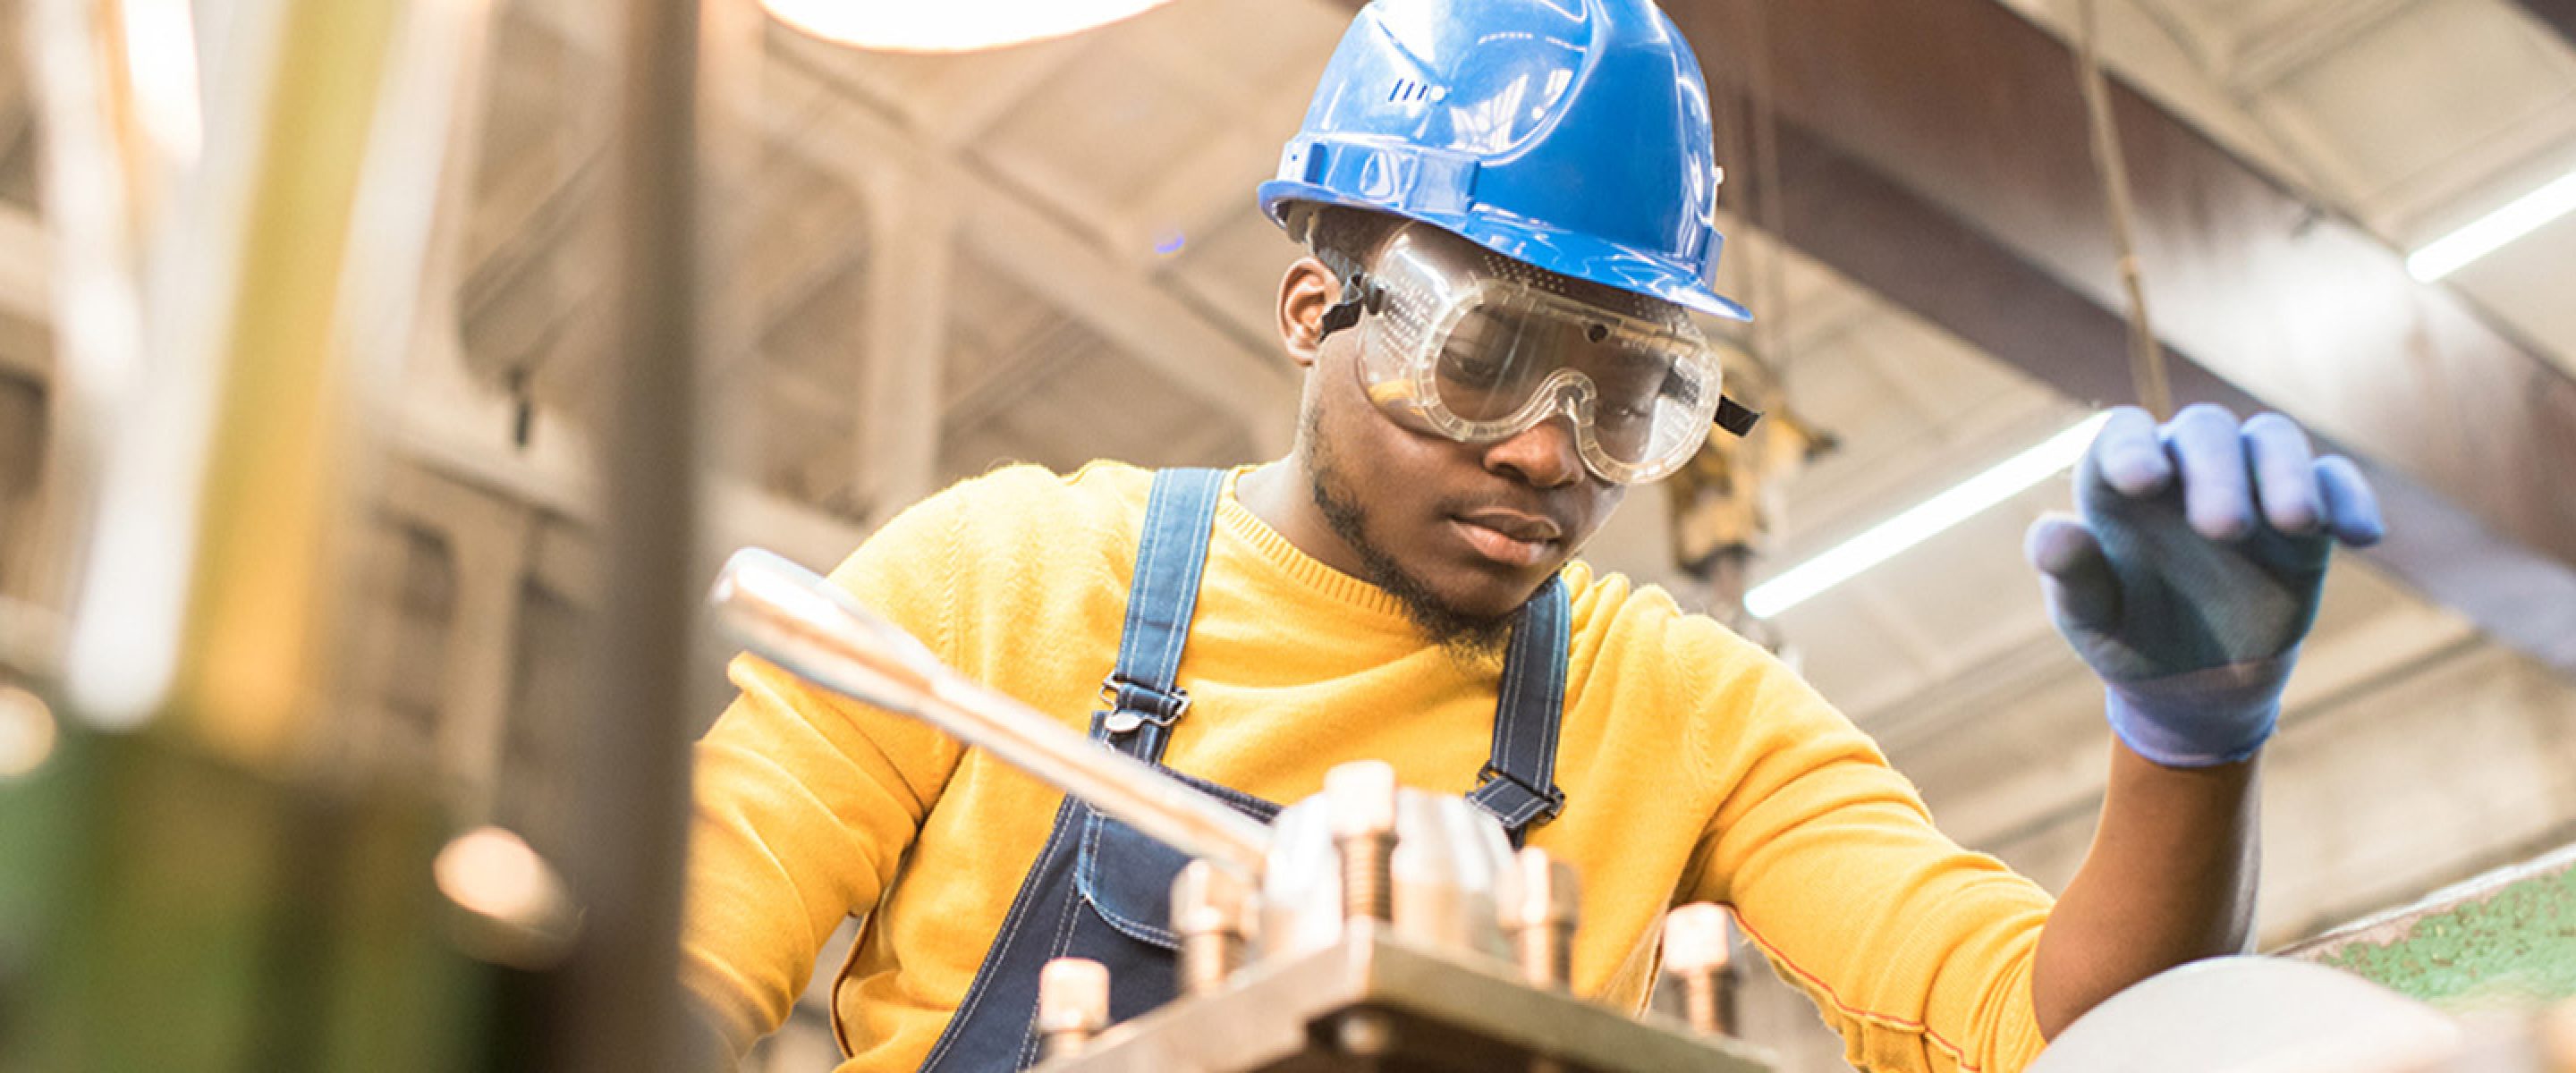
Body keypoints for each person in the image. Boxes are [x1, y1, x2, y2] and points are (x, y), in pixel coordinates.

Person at [677, 1, 2385, 1070]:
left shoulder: (1688, 715)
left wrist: (2185, 751)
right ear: (1312, 306)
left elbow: (2050, 1036)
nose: (1550, 457)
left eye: (1627, 394)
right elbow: (678, 971)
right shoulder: (996, 587)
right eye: (1481, 357)